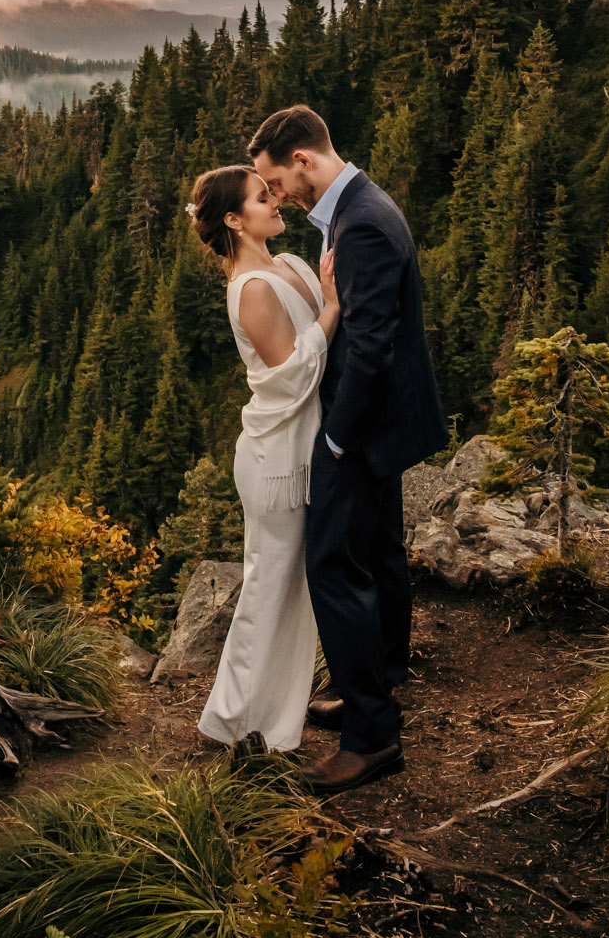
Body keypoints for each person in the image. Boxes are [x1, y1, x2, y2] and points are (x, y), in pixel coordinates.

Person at [249, 104, 446, 794]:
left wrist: (334, 436)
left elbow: (367, 345)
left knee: (334, 564)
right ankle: (381, 677)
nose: (275, 195)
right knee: (379, 550)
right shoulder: (360, 203)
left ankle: (372, 734)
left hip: (360, 427)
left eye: (275, 181)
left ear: (302, 159)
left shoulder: (358, 221)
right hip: (385, 421)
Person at [185, 163, 340, 753]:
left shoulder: (292, 266)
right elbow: (291, 377)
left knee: (293, 588)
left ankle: (271, 723)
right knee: (269, 586)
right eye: (261, 197)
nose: (276, 200)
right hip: (277, 459)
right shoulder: (250, 291)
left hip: (302, 448)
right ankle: (230, 723)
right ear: (234, 219)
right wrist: (328, 311)